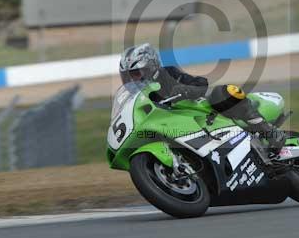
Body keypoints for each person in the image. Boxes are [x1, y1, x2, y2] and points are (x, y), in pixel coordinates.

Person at [119, 43, 286, 155]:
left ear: (150, 66)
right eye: (128, 76)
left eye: (135, 73)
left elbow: (201, 83)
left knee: (225, 91)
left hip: (204, 112)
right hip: (176, 125)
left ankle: (269, 132)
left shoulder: (168, 73)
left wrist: (186, 90)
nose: (133, 80)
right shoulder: (140, 98)